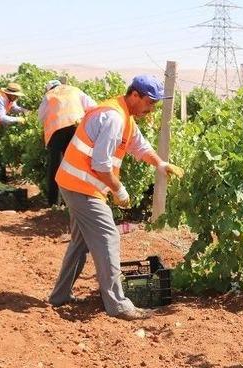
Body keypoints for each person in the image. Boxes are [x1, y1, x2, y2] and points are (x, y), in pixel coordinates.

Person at [49, 75, 184, 319]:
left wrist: (160, 164)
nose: (151, 108)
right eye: (149, 102)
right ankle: (117, 304)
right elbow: (101, 165)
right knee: (108, 236)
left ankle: (60, 296)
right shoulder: (113, 117)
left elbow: (140, 146)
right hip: (80, 186)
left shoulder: (125, 117)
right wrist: (118, 189)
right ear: (135, 96)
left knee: (80, 243)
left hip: (78, 183)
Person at [38, 79, 97, 206]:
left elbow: (41, 116)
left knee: (56, 167)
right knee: (77, 165)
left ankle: (54, 203)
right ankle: (77, 201)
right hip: (76, 129)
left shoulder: (49, 95)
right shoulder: (74, 90)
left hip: (56, 132)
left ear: (49, 88)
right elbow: (93, 106)